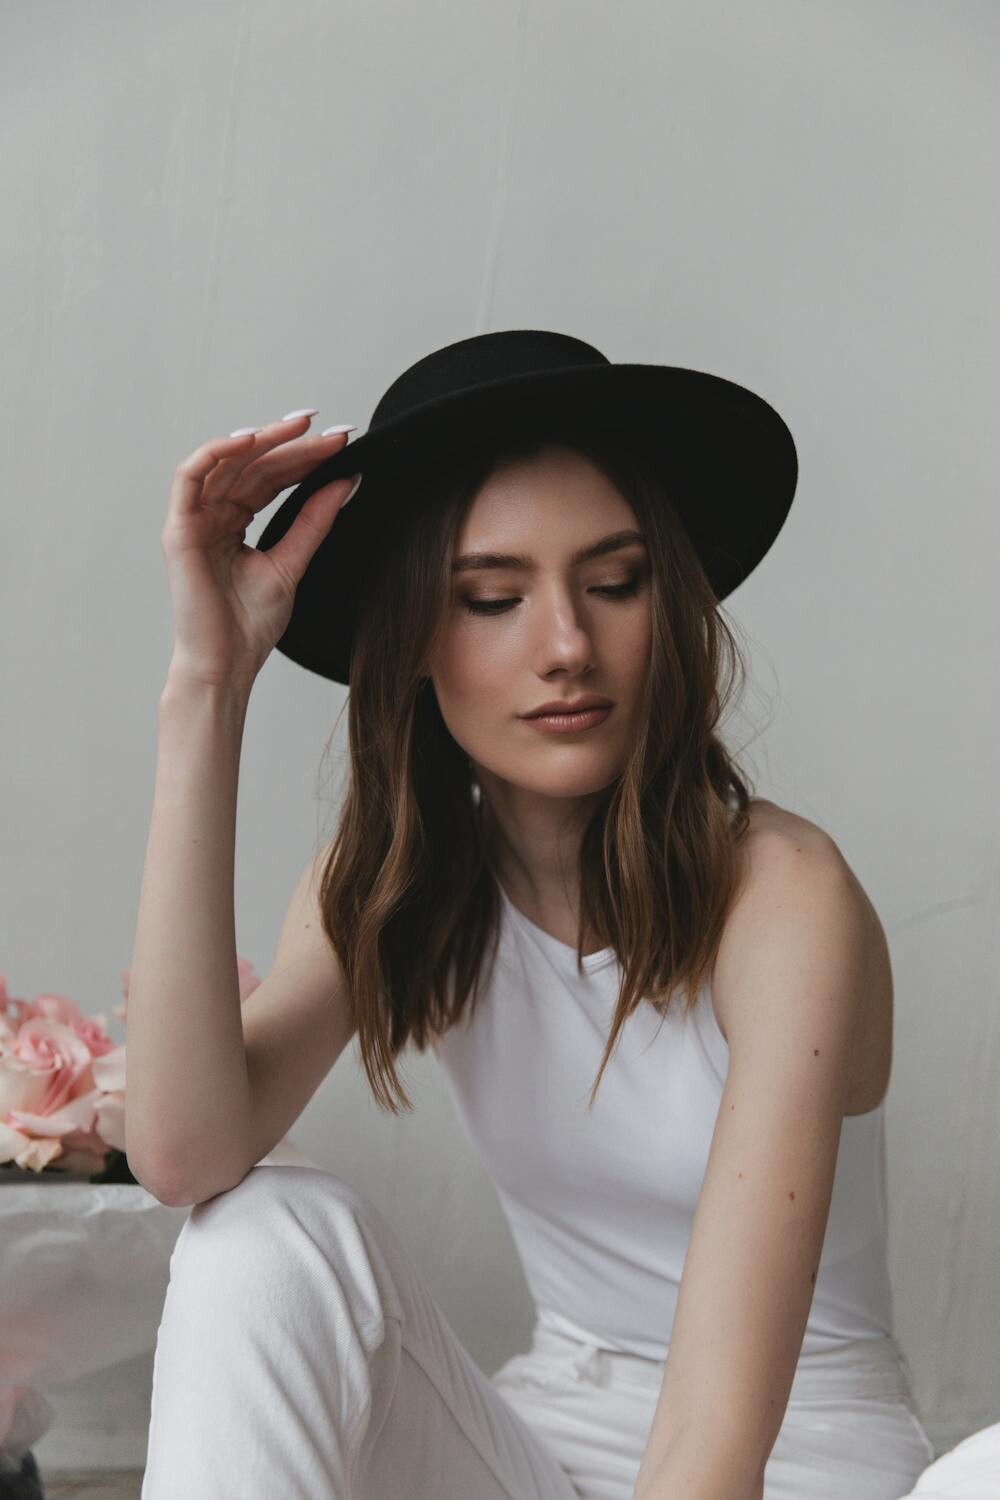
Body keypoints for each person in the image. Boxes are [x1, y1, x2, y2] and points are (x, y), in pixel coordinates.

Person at [131, 330, 937, 1500]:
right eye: (492, 599)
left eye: (614, 584)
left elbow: (714, 1440)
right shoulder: (390, 882)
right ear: (412, 635)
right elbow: (184, 1156)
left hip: (790, 1459)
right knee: (258, 1230)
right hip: (544, 1443)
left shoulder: (780, 893)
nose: (566, 647)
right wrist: (208, 684)